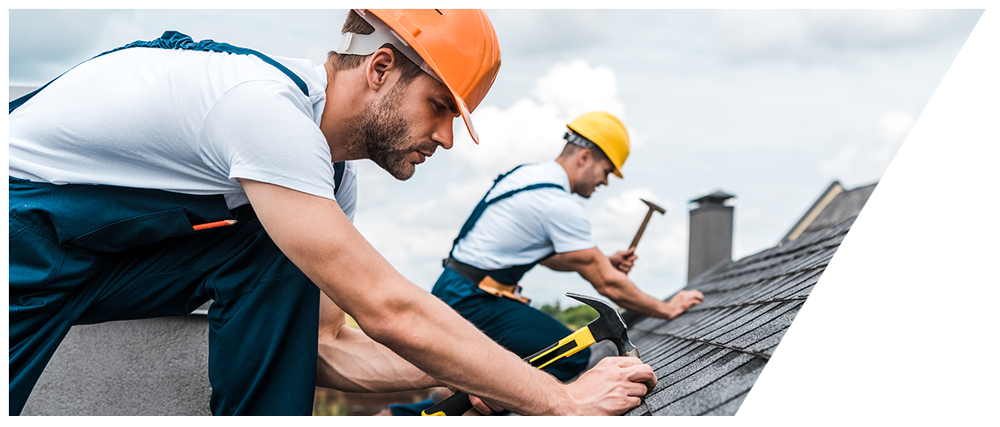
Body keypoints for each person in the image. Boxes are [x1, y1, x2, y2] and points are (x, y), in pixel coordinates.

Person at [8, 9, 657, 416]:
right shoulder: (263, 110)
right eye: (439, 106)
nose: (448, 138)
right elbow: (387, 307)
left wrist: (487, 376)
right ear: (380, 68)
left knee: (272, 247)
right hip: (20, 232)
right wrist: (559, 399)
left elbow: (321, 350)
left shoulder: (325, 183)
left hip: (102, 254)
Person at [387, 111, 705, 416]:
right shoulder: (558, 203)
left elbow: (551, 257)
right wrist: (666, 308)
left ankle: (429, 407)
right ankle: (433, 412)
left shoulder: (527, 176)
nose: (605, 182)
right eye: (607, 171)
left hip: (457, 286)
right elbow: (609, 284)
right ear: (585, 157)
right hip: (473, 298)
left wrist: (602, 260)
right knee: (570, 355)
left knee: (504, 368)